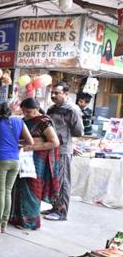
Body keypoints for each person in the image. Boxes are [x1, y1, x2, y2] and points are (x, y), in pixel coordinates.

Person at [0, 102, 34, 234]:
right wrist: (17, 145)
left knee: (0, 192)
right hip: (15, 161)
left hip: (0, 160)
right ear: (9, 112)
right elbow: (31, 142)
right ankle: (3, 225)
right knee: (7, 192)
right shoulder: (19, 122)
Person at [10, 98, 60, 230]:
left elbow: (54, 142)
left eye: (29, 111)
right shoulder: (24, 120)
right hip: (23, 156)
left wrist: (32, 147)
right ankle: (18, 218)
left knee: (32, 187)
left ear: (37, 109)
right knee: (20, 186)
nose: (26, 114)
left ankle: (31, 222)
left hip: (37, 159)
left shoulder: (44, 122)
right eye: (24, 112)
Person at [44, 82, 84, 221]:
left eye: (57, 93)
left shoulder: (72, 110)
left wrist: (66, 140)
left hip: (63, 149)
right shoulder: (52, 109)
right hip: (51, 148)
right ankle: (55, 206)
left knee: (63, 180)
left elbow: (78, 131)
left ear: (66, 94)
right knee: (55, 180)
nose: (53, 95)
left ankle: (62, 212)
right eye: (52, 93)